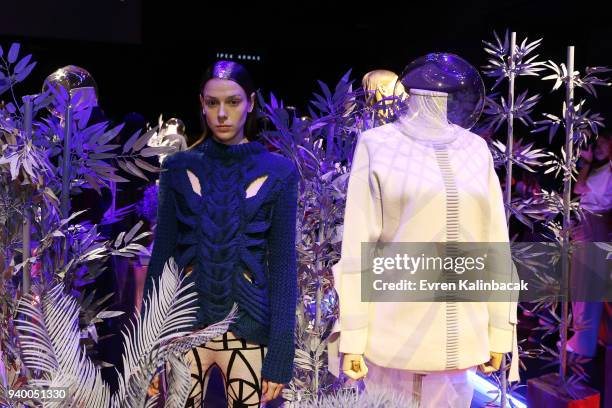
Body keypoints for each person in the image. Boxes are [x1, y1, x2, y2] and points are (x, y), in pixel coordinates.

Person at [145, 60, 299, 407]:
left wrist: (280, 356)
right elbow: (161, 260)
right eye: (213, 103)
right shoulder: (178, 168)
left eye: (233, 101)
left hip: (248, 331)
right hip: (183, 330)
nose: (222, 113)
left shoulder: (279, 173)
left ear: (252, 102)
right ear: (201, 103)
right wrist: (148, 345)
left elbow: (284, 269)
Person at [569, 132, 612, 358]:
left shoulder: (608, 170)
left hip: (595, 222)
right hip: (586, 221)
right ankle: (580, 339)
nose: (598, 148)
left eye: (604, 145)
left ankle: (584, 344)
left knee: (588, 284)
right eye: (597, 145)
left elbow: (579, 189)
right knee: (580, 282)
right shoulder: (599, 169)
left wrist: (585, 162)